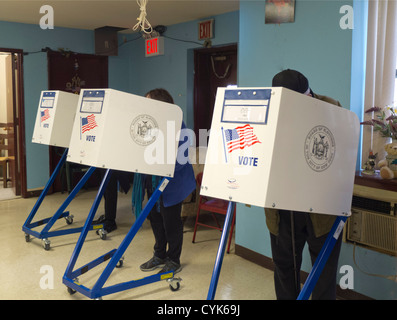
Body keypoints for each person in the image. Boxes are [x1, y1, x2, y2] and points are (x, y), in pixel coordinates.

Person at [266, 69, 342, 300]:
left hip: (321, 206)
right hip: (281, 204)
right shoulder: (267, 109)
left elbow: (342, 156)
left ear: (308, 95)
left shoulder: (332, 109)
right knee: (284, 266)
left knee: (323, 269)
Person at [134, 88, 196, 274]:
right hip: (152, 181)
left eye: (149, 102)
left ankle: (173, 259)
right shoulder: (149, 123)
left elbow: (182, 158)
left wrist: (161, 168)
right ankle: (159, 255)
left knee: (171, 222)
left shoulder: (178, 124)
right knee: (155, 218)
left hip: (172, 183)